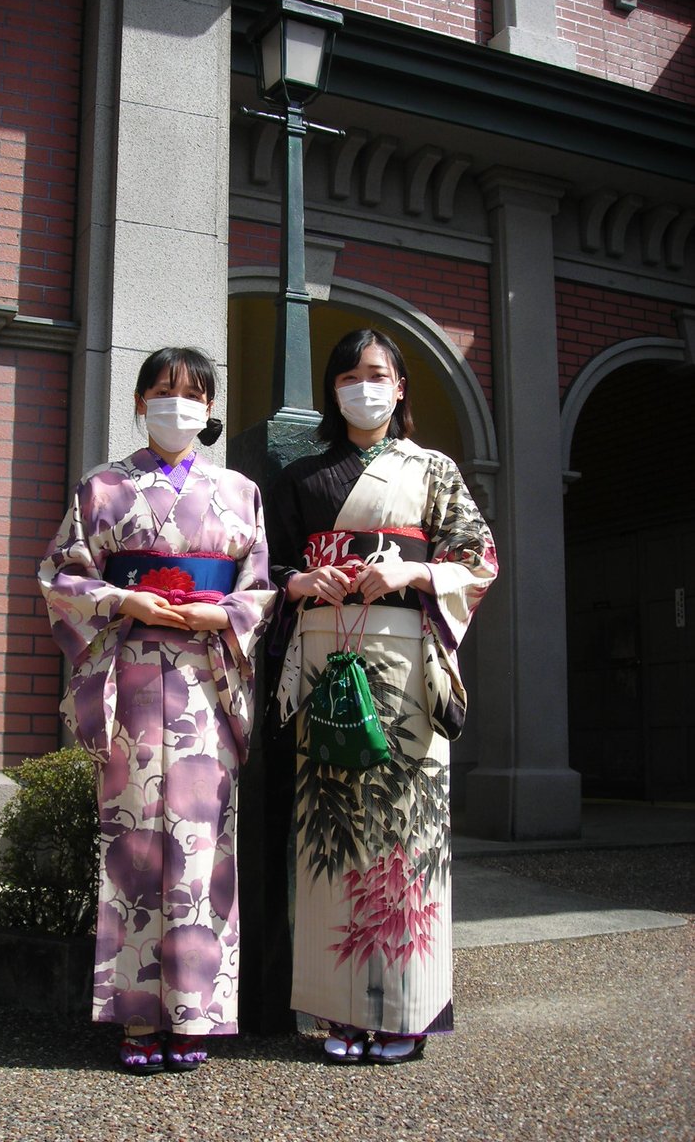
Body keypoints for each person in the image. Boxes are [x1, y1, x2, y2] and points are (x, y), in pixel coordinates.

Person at [38, 347, 275, 1074]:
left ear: (210, 410)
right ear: (141, 403)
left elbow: (260, 588)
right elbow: (59, 576)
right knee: (136, 846)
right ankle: (137, 1018)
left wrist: (223, 616)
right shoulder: (103, 487)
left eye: (194, 394)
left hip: (206, 682)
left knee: (204, 849)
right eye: (165, 392)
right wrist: (119, 599)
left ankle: (196, 1014)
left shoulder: (239, 491)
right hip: (134, 678)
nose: (179, 405)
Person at [267, 327, 498, 1065]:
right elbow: (265, 568)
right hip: (325, 656)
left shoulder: (432, 469)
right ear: (333, 391)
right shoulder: (302, 476)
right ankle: (338, 1014)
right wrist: (301, 582)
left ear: (400, 389)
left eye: (377, 374)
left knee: (407, 831)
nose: (363, 385)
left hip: (403, 662)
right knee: (330, 831)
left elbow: (478, 555)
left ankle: (404, 1012)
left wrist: (411, 575)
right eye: (348, 375)